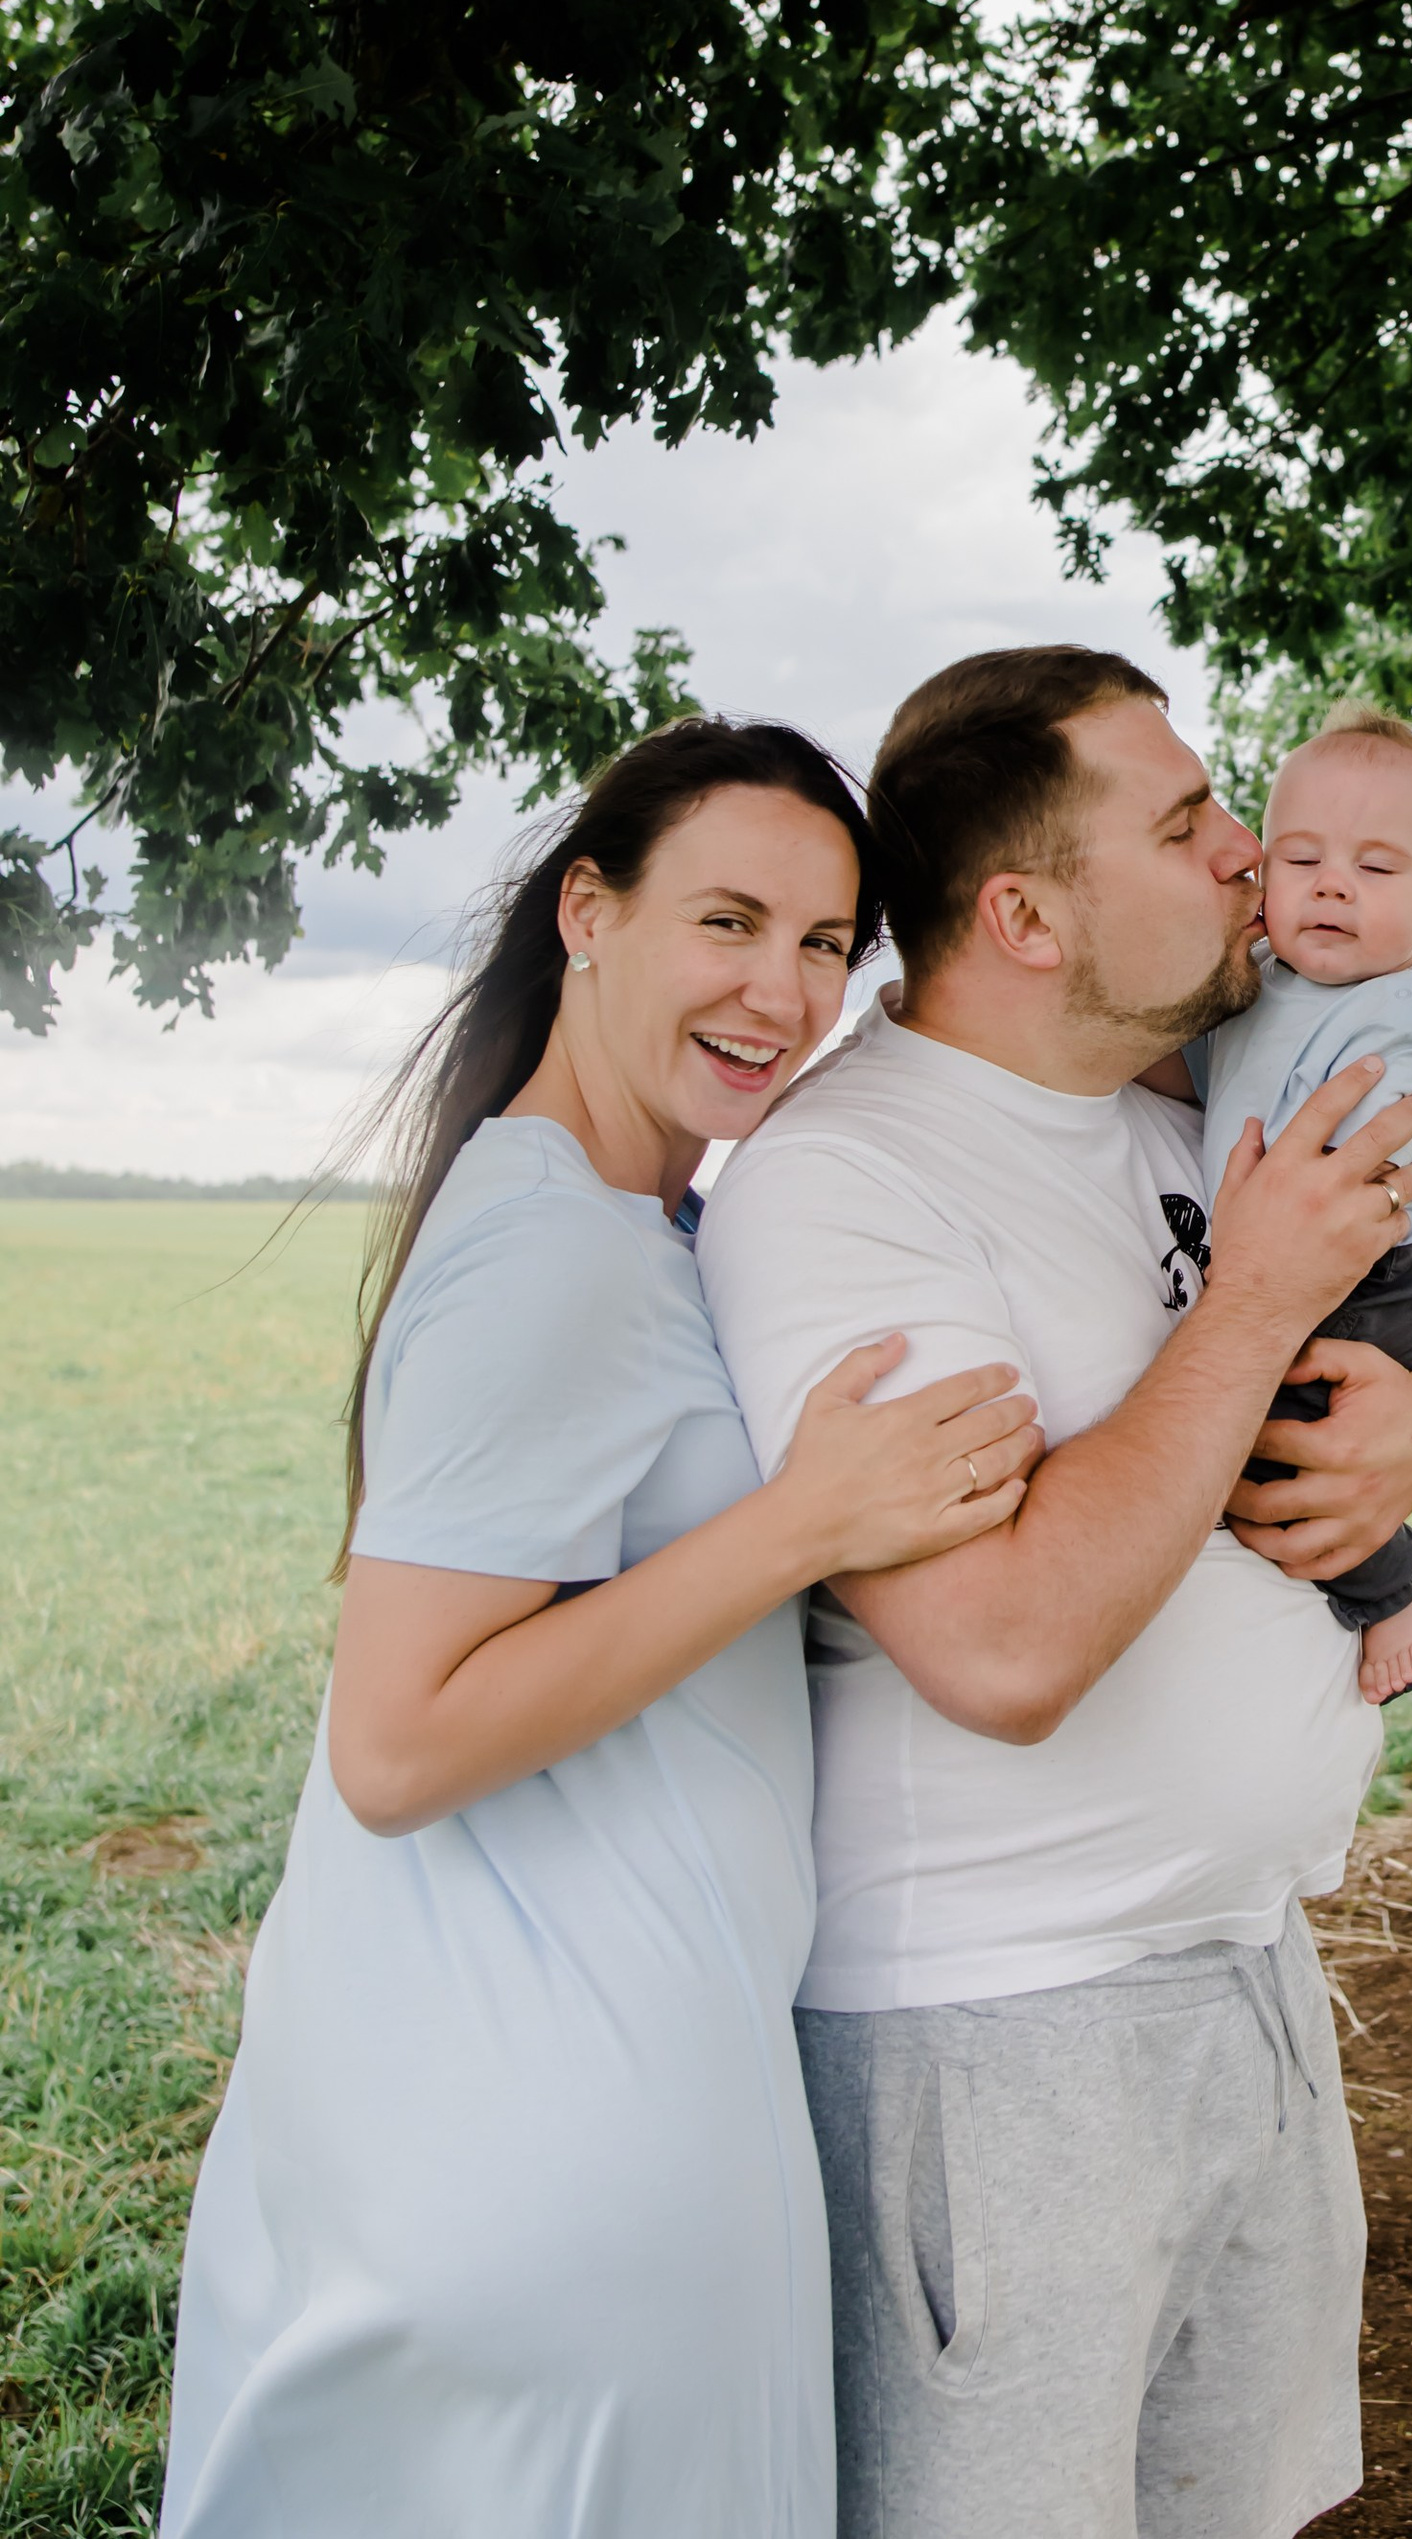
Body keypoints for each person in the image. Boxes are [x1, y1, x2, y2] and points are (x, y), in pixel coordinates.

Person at [160, 716, 1040, 2539]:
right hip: (559, 2118)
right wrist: (803, 1524)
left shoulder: (625, 1223)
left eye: (822, 946)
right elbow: (398, 1745)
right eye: (729, 922)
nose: (780, 992)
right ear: (588, 909)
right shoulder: (552, 1243)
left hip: (531, 2077)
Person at [695, 645, 1412, 2539]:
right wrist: (1254, 1306)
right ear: (1026, 913)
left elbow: (1367, 1363)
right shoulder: (847, 1186)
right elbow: (1000, 1646)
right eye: (1194, 819)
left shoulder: (1173, 1112)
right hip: (1000, 2040)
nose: (1249, 856)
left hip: (1250, 1973)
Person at [1194, 699, 1412, 1705]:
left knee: (1279, 1446)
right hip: (1331, 1250)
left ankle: (1397, 1583)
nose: (1330, 883)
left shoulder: (1397, 1020)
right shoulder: (1267, 978)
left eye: (1375, 867)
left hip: (1391, 1267)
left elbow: (1351, 1168)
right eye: (1299, 857)